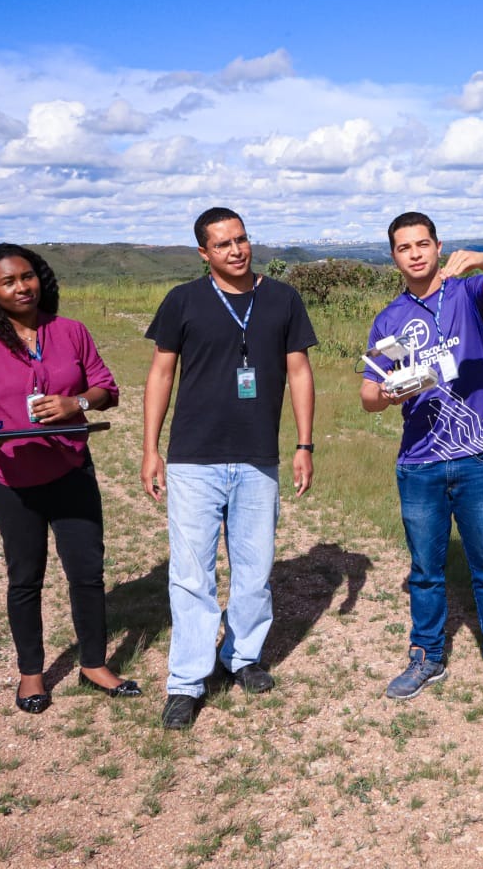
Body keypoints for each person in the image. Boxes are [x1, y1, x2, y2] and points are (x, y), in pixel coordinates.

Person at [0, 244, 140, 714]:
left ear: (41, 278)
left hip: (71, 470)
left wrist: (78, 403)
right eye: (7, 282)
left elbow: (106, 388)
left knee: (87, 574)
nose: (21, 287)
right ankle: (32, 673)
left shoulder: (70, 332)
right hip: (12, 478)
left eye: (27, 276)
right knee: (25, 578)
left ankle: (94, 664)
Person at [141, 207, 317, 730]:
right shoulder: (184, 301)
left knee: (255, 568)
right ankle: (186, 681)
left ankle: (242, 657)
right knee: (192, 574)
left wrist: (305, 443)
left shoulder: (282, 298)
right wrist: (150, 448)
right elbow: (160, 374)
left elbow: (300, 372)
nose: (236, 250)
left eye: (241, 239)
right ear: (204, 253)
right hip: (194, 458)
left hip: (258, 457)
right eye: (222, 244)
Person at [359, 212, 483, 707]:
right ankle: (427, 656)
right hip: (420, 463)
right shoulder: (389, 319)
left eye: (421, 244)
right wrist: (389, 393)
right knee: (426, 570)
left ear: (438, 247)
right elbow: (367, 394)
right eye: (403, 247)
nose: (414, 253)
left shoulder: (467, 294)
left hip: (479, 457)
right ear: (393, 256)